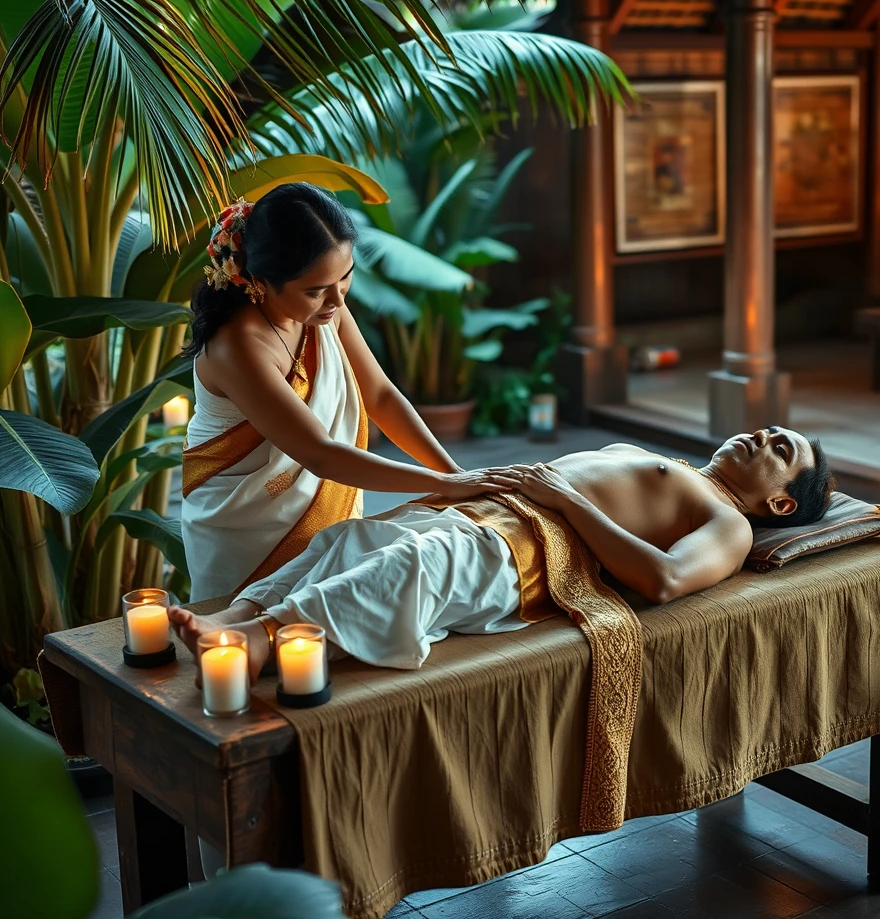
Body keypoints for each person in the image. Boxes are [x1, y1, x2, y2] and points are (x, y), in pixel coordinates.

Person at [171, 427, 836, 679]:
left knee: (411, 569)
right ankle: (239, 619)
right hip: (489, 511)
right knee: (351, 537)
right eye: (766, 429)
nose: (761, 437)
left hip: (529, 552)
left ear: (780, 503)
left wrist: (569, 501)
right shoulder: (674, 462)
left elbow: (662, 580)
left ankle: (261, 643)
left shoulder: (729, 522)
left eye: (782, 450)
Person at [180, 183, 512, 602]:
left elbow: (381, 397)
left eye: (346, 277)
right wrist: (443, 486)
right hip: (245, 530)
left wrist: (455, 475)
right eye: (316, 289)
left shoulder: (323, 309)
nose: (337, 299)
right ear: (259, 279)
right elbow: (320, 454)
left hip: (319, 503)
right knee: (247, 637)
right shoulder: (237, 347)